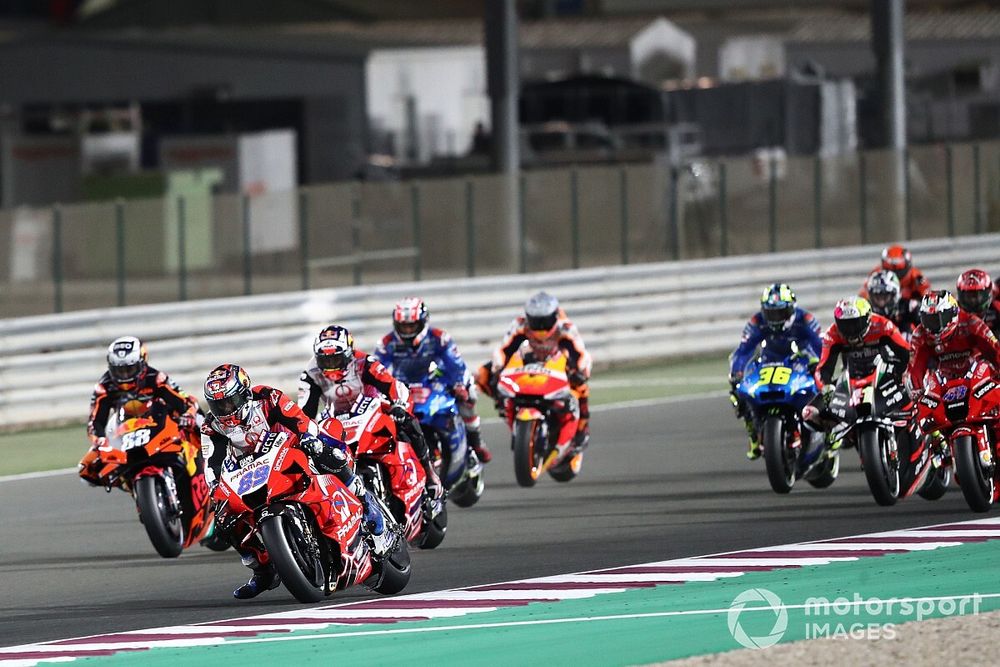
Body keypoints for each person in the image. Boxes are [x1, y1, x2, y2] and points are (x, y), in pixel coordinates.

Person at [201, 363, 386, 600]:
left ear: (244, 393)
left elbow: (298, 420)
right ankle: (264, 570)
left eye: (230, 402)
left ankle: (365, 501)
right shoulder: (211, 426)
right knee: (224, 516)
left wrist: (309, 437)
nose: (225, 410)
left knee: (324, 450)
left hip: (289, 447)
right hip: (251, 471)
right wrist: (214, 486)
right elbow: (212, 462)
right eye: (218, 405)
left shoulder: (268, 397)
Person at [298, 325, 444, 501]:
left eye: (335, 360)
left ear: (348, 354)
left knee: (407, 422)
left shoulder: (364, 362)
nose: (330, 366)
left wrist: (399, 405)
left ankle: (429, 474)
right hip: (337, 418)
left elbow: (392, 385)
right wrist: (304, 431)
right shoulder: (310, 373)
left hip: (371, 407)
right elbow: (305, 412)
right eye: (325, 361)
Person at [374, 297, 492, 463]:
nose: (407, 330)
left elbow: (456, 365)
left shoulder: (439, 338)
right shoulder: (386, 343)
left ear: (423, 322)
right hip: (403, 385)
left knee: (469, 394)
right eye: (403, 326)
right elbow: (376, 370)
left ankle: (475, 439)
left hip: (435, 376)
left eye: (412, 325)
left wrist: (459, 385)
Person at [478, 291, 592, 452]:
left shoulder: (565, 328)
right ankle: (503, 403)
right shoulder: (520, 325)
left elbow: (581, 354)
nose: (540, 328)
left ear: (554, 317)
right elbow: (504, 350)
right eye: (536, 321)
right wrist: (498, 369)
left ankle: (582, 428)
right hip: (528, 362)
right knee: (483, 374)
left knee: (581, 388)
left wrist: (580, 372)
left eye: (545, 321)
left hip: (557, 364)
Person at [728, 283, 823, 459]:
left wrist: (819, 366)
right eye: (771, 313)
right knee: (738, 393)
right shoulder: (757, 322)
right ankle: (754, 435)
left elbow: (822, 347)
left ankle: (829, 431)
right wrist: (737, 373)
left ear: (791, 309)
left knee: (824, 387)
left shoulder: (806, 320)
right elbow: (742, 351)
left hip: (800, 360)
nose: (776, 318)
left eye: (780, 312)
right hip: (769, 362)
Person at [802, 297, 910, 439]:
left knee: (913, 391)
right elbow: (824, 368)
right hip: (851, 378)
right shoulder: (833, 334)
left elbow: (906, 353)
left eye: (854, 323)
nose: (850, 330)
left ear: (867, 319)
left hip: (885, 375)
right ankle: (836, 436)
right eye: (844, 324)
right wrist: (826, 387)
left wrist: (903, 373)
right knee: (809, 413)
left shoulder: (882, 325)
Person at [86, 336, 199, 455]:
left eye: (130, 369)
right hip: (125, 431)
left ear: (143, 362)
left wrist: (188, 415)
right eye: (119, 371)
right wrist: (99, 440)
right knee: (92, 461)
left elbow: (185, 402)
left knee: (198, 420)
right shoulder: (104, 386)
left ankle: (208, 455)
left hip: (160, 425)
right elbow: (95, 421)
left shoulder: (156, 378)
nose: (125, 376)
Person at [907, 290, 1000, 394]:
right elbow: (915, 369)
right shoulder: (920, 335)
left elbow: (995, 351)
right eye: (929, 320)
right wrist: (917, 392)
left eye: (939, 319)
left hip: (978, 382)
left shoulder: (972, 324)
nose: (933, 326)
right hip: (943, 387)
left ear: (953, 313)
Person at [861, 244, 930, 322]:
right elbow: (862, 300)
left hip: (906, 318)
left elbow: (927, 306)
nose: (894, 276)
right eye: (889, 270)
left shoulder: (918, 280)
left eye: (899, 272)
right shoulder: (875, 277)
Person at [863, 270, 912, 335]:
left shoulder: (908, 307)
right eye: (877, 296)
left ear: (894, 295)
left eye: (884, 296)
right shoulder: (865, 312)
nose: (881, 301)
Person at [956, 269, 1000, 338]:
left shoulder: (996, 309)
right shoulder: (954, 313)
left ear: (987, 293)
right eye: (968, 296)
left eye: (976, 296)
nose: (972, 300)